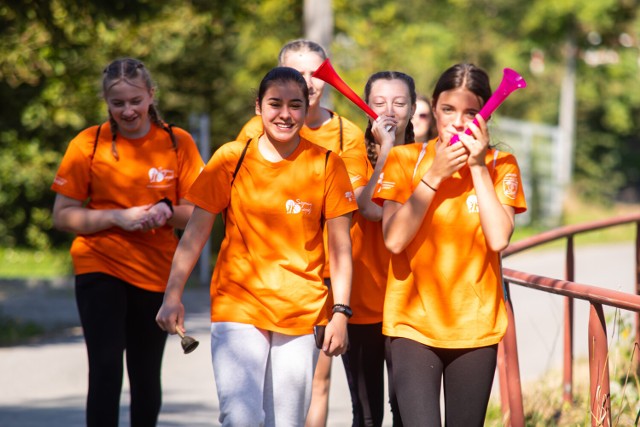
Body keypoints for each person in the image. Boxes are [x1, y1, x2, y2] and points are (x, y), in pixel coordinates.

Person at [156, 66, 357, 426]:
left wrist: (340, 312)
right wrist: (173, 295)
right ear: (258, 107)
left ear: (307, 107)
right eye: (275, 103)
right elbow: (195, 235)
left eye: (295, 105)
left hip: (301, 309)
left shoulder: (326, 163)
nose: (285, 114)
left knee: (287, 421)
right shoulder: (230, 159)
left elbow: (341, 249)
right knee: (240, 416)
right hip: (239, 303)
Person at [51, 57, 205, 426]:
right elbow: (62, 214)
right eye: (117, 103)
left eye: (135, 100)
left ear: (151, 95)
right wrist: (116, 217)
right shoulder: (88, 143)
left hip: (156, 270)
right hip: (99, 263)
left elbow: (199, 212)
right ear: (107, 102)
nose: (128, 110)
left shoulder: (176, 142)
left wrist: (167, 209)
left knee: (145, 373)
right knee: (104, 366)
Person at [373, 63, 527, 426]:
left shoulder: (501, 164)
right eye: (447, 110)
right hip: (411, 326)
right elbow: (394, 240)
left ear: (486, 115)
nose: (458, 122)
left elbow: (498, 237)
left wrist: (476, 168)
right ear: (433, 108)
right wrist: (435, 175)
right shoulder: (403, 160)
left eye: (471, 112)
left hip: (475, 328)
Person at [236, 39, 366, 427]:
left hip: (324, 271)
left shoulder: (346, 134)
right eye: (299, 71)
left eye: (317, 72)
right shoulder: (251, 131)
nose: (308, 81)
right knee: (255, 391)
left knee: (315, 379)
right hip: (264, 274)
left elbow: (354, 199)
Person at [340, 71, 417, 426]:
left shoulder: (427, 157)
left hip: (411, 306)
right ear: (366, 107)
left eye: (400, 103)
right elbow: (369, 208)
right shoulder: (353, 154)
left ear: (413, 108)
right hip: (363, 303)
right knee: (367, 417)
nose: (390, 110)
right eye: (380, 102)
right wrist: (386, 150)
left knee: (406, 412)